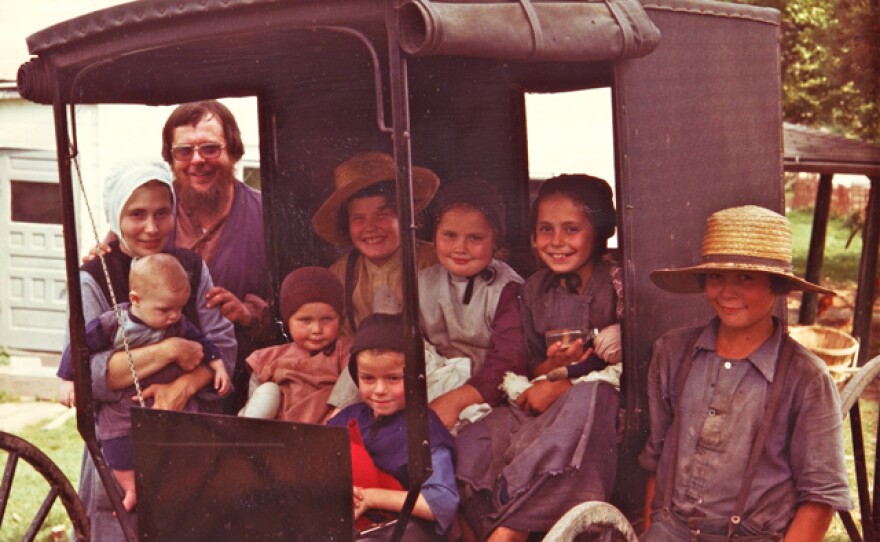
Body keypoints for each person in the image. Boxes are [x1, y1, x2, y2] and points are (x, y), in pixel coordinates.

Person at [639, 205, 850, 541]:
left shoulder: (806, 377)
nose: (727, 292)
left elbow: (820, 499)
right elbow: (657, 458)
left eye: (746, 278)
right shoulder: (673, 352)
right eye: (716, 277)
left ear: (777, 286)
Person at [58, 158, 236, 540]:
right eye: (136, 214)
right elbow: (87, 371)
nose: (152, 227)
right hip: (119, 446)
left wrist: (184, 386)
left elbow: (222, 343)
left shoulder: (187, 267)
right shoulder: (93, 276)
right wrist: (171, 349)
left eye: (162, 212)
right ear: (114, 215)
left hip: (184, 436)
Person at [454, 175, 624, 542]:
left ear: (599, 232)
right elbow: (533, 366)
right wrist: (551, 367)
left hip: (594, 407)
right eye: (545, 229)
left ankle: (511, 527)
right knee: (477, 437)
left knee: (589, 399)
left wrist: (568, 384)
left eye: (571, 229)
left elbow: (628, 366)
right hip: (544, 399)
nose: (557, 242)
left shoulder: (617, 284)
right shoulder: (534, 289)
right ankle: (489, 521)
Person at [60, 253, 230, 512]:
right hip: (122, 409)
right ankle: (130, 490)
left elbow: (205, 343)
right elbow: (79, 347)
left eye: (179, 308)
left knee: (181, 448)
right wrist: (68, 379)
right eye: (165, 310)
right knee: (117, 449)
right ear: (136, 300)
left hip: (169, 408)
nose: (174, 316)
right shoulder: (114, 323)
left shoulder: (177, 323)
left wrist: (217, 362)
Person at [162, 99, 272, 411]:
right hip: (163, 385)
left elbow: (296, 304)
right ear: (171, 158)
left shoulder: (266, 216)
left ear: (234, 151)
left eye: (210, 148)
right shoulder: (153, 213)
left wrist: (252, 314)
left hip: (237, 388)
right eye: (184, 151)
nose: (197, 160)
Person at [328, 311, 459, 541]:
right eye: (368, 378)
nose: (379, 390)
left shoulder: (424, 429)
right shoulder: (350, 416)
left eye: (393, 378)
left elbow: (442, 503)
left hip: (399, 531)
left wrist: (370, 498)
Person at [418, 178, 527, 429]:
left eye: (475, 238)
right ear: (434, 237)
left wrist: (455, 401)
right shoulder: (421, 283)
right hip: (432, 391)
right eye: (450, 235)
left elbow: (509, 361)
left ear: (495, 241)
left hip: (488, 397)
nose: (460, 248)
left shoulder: (508, 289)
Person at [312, 151, 440, 335]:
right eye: (358, 219)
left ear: (403, 216)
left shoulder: (433, 261)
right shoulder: (340, 273)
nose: (370, 227)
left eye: (382, 215)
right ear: (346, 224)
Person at [239, 266, 353, 423]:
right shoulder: (270, 357)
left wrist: (338, 413)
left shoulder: (344, 350)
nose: (316, 330)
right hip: (278, 429)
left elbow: (352, 381)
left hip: (326, 426)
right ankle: (249, 429)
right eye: (305, 320)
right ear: (287, 321)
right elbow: (255, 388)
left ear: (341, 318)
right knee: (266, 391)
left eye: (327, 319)